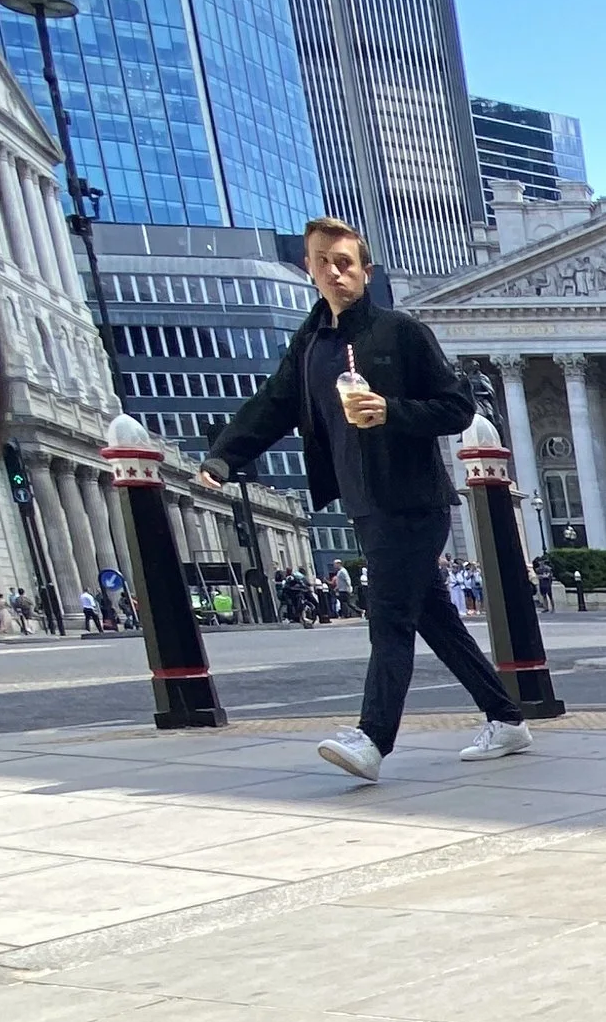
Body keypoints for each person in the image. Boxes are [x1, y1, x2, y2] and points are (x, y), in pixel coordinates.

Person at [199, 216, 527, 785]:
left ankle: (373, 737)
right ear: (309, 268)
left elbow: (455, 408)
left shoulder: (401, 331)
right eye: (323, 260)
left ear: (365, 271)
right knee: (433, 618)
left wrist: (391, 411)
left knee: (389, 618)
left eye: (345, 262)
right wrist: (224, 458)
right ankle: (506, 717)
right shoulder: (309, 348)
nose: (334, 270)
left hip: (414, 499)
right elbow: (272, 405)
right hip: (363, 500)